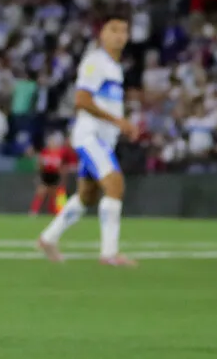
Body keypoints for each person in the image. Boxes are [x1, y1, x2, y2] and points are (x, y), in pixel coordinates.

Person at [37, 17, 138, 266]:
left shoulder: (115, 68)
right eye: (114, 30)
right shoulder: (95, 62)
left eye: (124, 31)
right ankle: (109, 253)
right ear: (102, 34)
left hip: (104, 138)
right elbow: (81, 100)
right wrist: (118, 121)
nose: (120, 35)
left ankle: (48, 238)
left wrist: (118, 123)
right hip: (90, 135)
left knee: (87, 195)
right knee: (115, 184)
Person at [31, 131, 77, 215]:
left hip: (56, 176)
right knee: (41, 193)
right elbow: (40, 165)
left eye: (53, 142)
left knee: (56, 195)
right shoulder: (45, 152)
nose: (51, 144)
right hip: (46, 175)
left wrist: (63, 174)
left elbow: (66, 164)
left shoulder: (62, 152)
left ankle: (57, 212)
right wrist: (39, 174)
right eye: (50, 142)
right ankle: (33, 212)